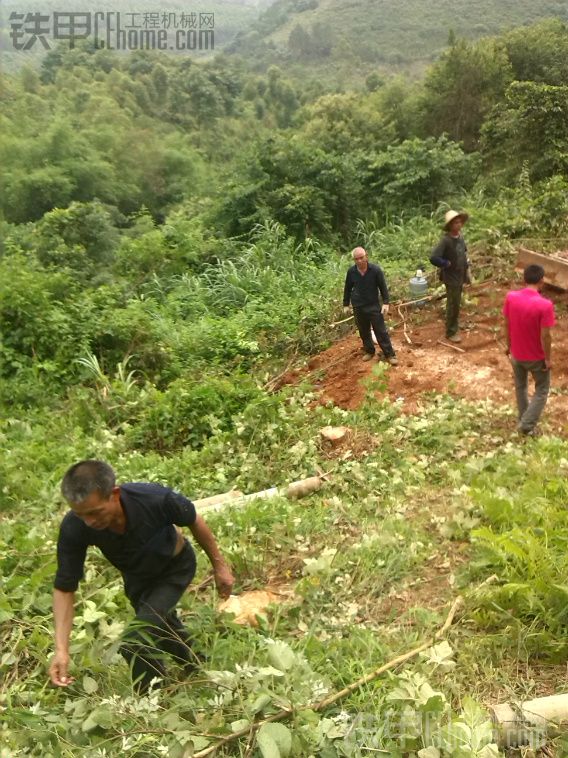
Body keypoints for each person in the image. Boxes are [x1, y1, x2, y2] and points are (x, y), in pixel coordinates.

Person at [49, 460, 234, 694]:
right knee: (160, 624)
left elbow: (194, 519)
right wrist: (62, 650)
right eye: (81, 515)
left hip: (174, 569)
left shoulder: (153, 498)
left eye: (95, 513)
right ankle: (198, 667)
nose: (89, 522)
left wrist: (220, 567)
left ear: (114, 494)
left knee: (136, 641)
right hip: (137, 578)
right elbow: (65, 587)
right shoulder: (75, 527)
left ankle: (151, 703)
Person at [503, 264, 555, 436]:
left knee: (521, 386)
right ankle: (526, 425)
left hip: (516, 354)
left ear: (524, 279)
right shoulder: (545, 305)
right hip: (536, 357)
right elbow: (546, 336)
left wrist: (508, 346)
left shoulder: (511, 297)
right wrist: (547, 359)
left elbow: (507, 323)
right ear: (542, 281)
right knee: (542, 389)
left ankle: (524, 419)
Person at [343, 247, 398, 365]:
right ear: (354, 260)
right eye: (356, 259)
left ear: (366, 256)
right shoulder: (351, 272)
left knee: (381, 331)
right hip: (358, 306)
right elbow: (347, 288)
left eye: (361, 258)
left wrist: (386, 303)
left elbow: (383, 287)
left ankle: (390, 354)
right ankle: (369, 350)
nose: (359, 261)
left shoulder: (375, 270)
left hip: (373, 305)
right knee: (363, 331)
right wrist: (346, 304)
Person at [430, 210, 471, 343]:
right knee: (453, 304)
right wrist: (445, 263)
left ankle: (454, 325)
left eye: (459, 222)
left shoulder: (460, 237)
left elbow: (463, 253)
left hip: (460, 275)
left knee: (457, 303)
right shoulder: (446, 241)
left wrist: (467, 272)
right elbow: (434, 257)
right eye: (455, 223)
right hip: (451, 277)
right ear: (450, 225)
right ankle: (451, 332)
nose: (458, 225)